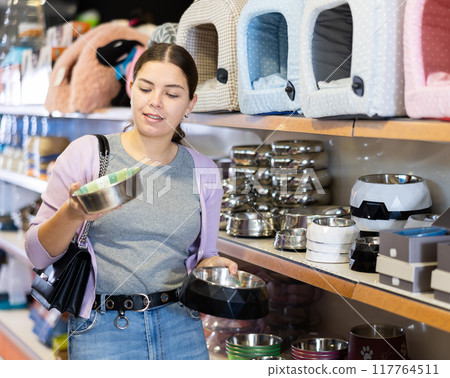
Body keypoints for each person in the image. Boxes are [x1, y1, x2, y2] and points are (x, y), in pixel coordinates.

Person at [25, 42, 238, 360]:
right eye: (146, 88)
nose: (155, 102)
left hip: (182, 326)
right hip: (103, 329)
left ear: (190, 103)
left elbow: (204, 256)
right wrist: (73, 213)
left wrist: (214, 268)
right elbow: (37, 255)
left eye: (172, 93)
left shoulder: (204, 171)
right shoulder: (90, 154)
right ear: (131, 87)